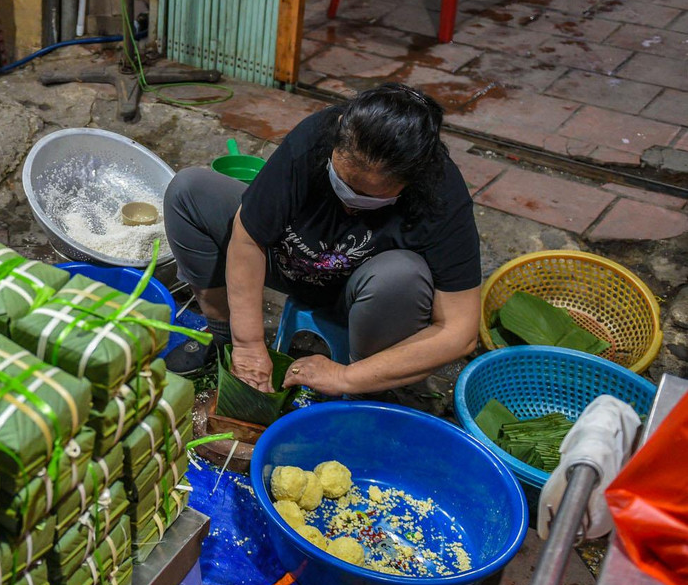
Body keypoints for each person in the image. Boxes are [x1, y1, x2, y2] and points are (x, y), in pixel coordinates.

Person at [162, 83, 481, 396]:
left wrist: (347, 377)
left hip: (361, 296)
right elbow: (248, 238)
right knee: (189, 192)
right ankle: (223, 338)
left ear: (414, 179)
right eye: (343, 183)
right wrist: (248, 344)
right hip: (289, 260)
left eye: (368, 196)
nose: (348, 203)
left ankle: (370, 383)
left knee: (402, 276)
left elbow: (459, 331)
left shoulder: (441, 191)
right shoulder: (319, 134)